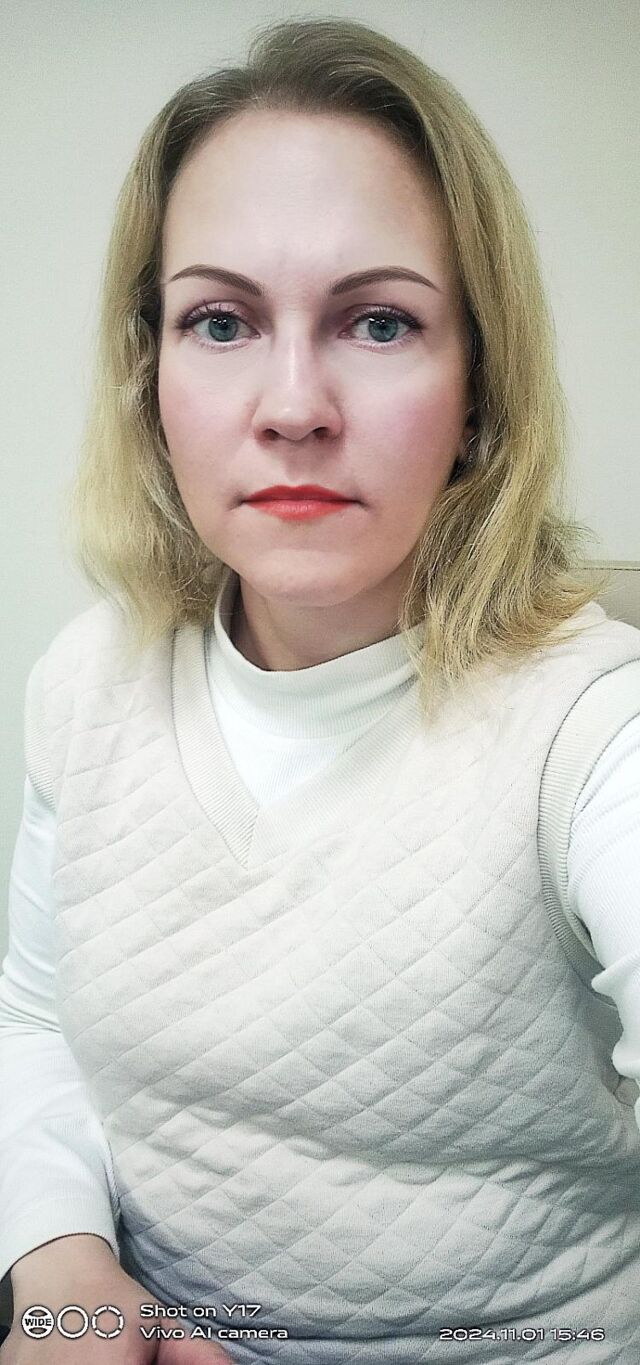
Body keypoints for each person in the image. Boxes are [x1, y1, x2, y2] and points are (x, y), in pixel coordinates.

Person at [1, 14, 640, 1364]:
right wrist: (63, 1272)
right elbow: (34, 1018)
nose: (293, 404)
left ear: (479, 390)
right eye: (223, 320)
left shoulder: (594, 727)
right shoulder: (88, 681)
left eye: (380, 321)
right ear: (150, 375)